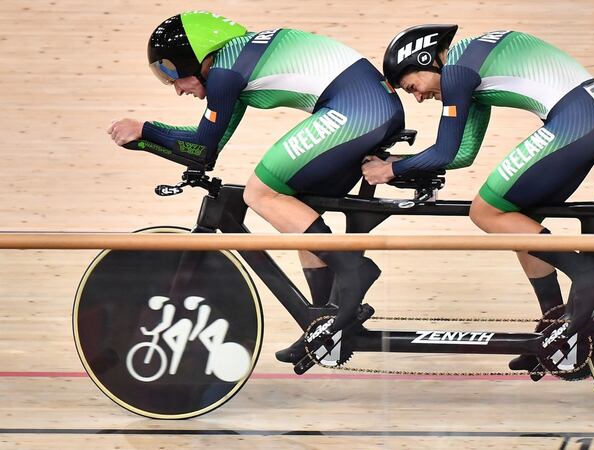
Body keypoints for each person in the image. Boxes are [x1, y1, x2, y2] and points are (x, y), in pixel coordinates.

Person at [107, 11, 405, 364]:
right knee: (298, 211)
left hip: (358, 111)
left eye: (172, 73)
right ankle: (324, 321)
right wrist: (144, 142)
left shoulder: (224, 74)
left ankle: (354, 271)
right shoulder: (234, 66)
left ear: (198, 56)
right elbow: (205, 151)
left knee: (260, 192)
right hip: (367, 109)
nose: (176, 88)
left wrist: (145, 128)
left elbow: (200, 147)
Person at [365, 25, 594, 369]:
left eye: (413, 87)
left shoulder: (456, 72)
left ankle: (586, 271)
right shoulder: (469, 69)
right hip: (589, 117)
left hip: (575, 120)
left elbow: (443, 150)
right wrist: (400, 163)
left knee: (485, 211)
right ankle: (555, 330)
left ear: (425, 59)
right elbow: (462, 152)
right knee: (518, 221)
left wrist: (389, 172)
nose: (420, 97)